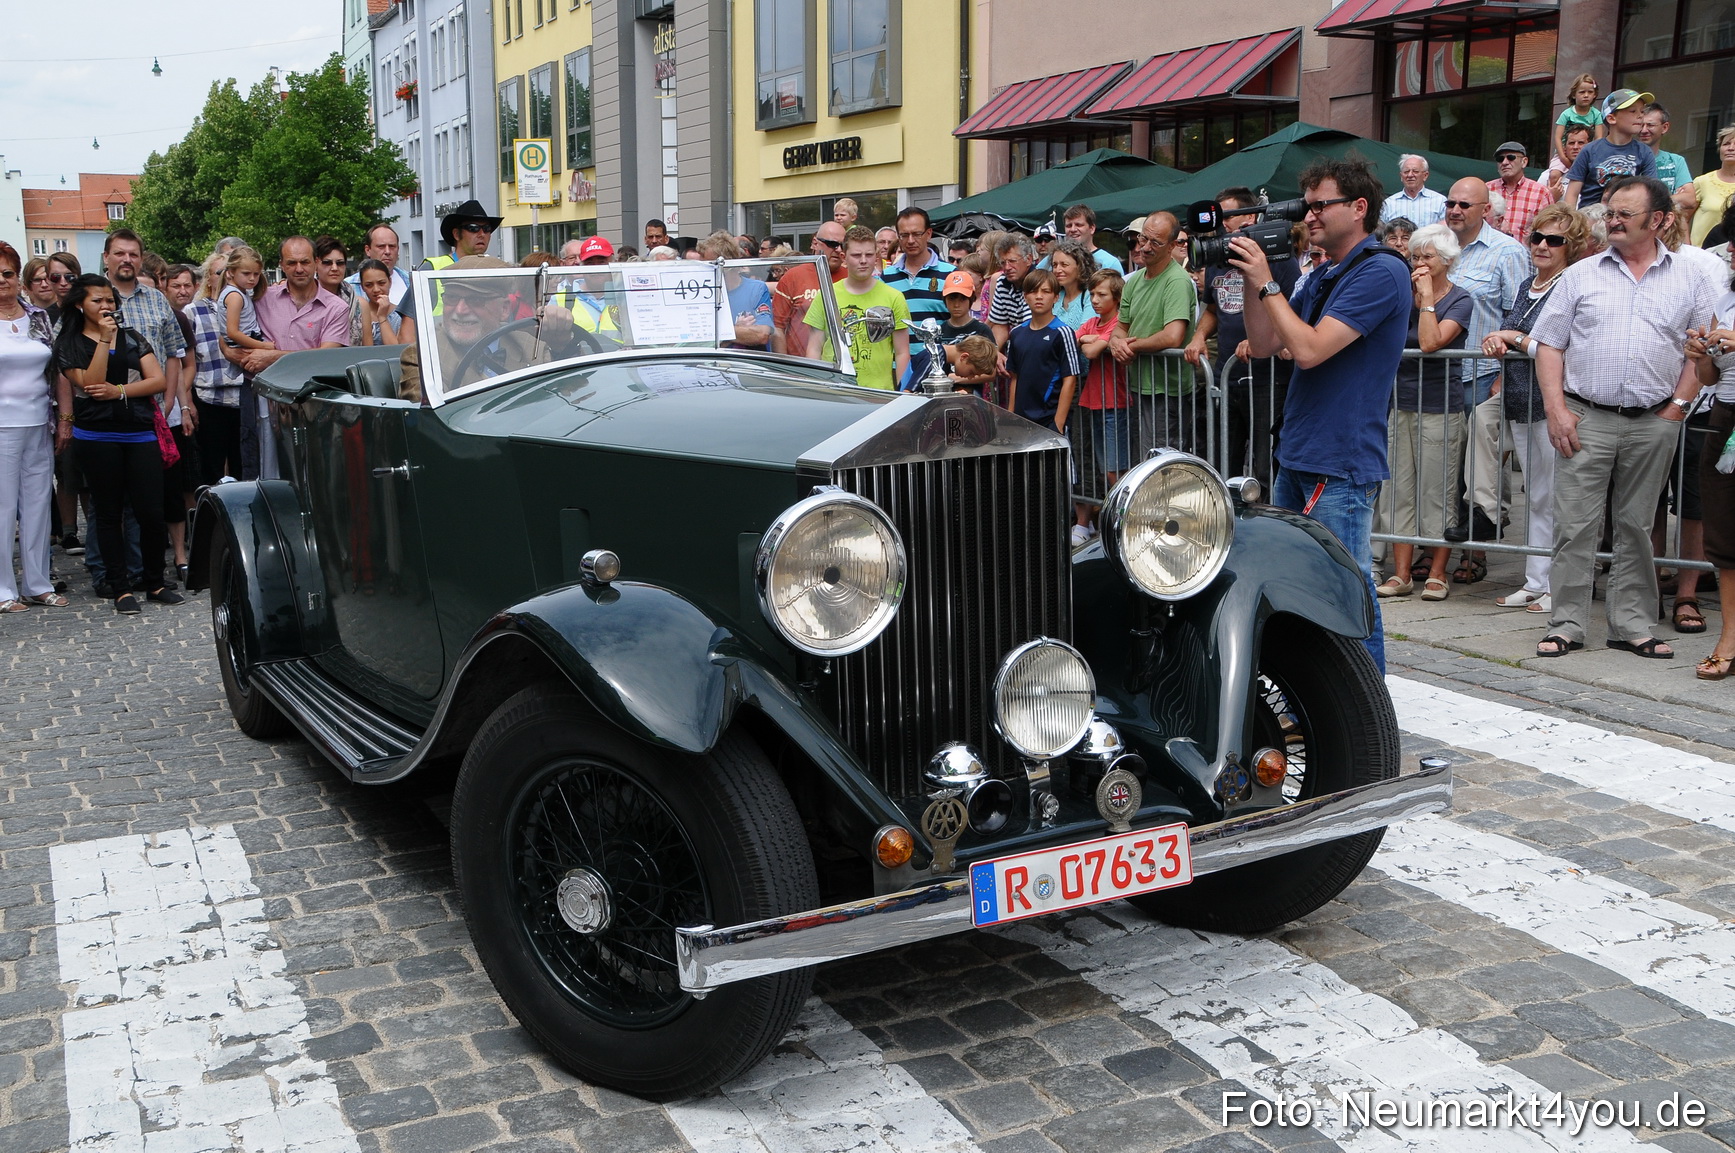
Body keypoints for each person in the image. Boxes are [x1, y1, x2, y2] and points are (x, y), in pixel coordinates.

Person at [1232, 156, 1412, 672]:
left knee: (1345, 587)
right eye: (1305, 206)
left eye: (1319, 205)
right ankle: (1316, 695)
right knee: (1297, 583)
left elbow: (1308, 350)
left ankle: (1368, 704)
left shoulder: (1381, 270)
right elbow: (1265, 344)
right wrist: (1254, 276)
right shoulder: (1326, 271)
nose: (1308, 216)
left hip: (1340, 460)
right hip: (1299, 451)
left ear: (1359, 208)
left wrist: (1268, 282)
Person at [1530, 176, 1716, 660]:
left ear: (1660, 220)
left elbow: (1700, 349)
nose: (1612, 221)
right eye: (1610, 212)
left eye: (1624, 214)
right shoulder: (1581, 274)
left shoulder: (1690, 277)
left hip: (1654, 420)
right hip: (1585, 417)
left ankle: (1632, 625)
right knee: (1575, 526)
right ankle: (1566, 624)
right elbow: (1549, 345)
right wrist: (1556, 410)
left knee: (1637, 527)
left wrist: (1676, 409)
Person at [1480, 203, 1589, 616]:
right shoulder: (1529, 283)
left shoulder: (1571, 283)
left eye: (1554, 240)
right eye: (1537, 237)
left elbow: (1558, 346)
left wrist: (1511, 337)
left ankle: (1559, 586)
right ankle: (1536, 581)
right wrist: (1498, 340)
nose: (1542, 245)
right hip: (1521, 401)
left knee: (1561, 499)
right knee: (1538, 497)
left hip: (1555, 403)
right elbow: (1520, 337)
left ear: (1570, 245)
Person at [52, 275, 182, 613]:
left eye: (109, 300)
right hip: (96, 437)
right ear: (80, 305)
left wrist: (119, 391)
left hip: (139, 432)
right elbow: (91, 383)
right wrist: (104, 340)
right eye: (97, 301)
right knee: (108, 513)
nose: (106, 306)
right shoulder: (69, 343)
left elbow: (158, 380)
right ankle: (120, 587)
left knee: (150, 512)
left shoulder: (132, 337)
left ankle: (154, 582)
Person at [1378, 224, 1473, 602]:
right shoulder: (1402, 295)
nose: (1418, 262)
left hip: (1440, 405)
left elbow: (1431, 341)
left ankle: (1437, 573)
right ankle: (1401, 574)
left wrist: (1428, 298)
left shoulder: (1461, 299)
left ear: (1447, 261)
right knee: (1397, 491)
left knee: (1439, 491)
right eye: (1415, 256)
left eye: (1427, 256)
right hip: (1399, 403)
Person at [1441, 178, 1528, 572]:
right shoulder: (1439, 244)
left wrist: (1506, 375)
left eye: (1465, 204)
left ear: (1486, 209)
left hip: (1484, 372)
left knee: (1477, 467)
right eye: (1451, 203)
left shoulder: (1507, 252)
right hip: (1441, 374)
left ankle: (1475, 552)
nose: (1455, 210)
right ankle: (1435, 547)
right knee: (1445, 464)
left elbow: (1518, 316)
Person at [1188, 187, 1301, 488]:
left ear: (1249, 217)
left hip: (1267, 378)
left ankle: (1265, 516)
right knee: (1222, 464)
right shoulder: (1218, 255)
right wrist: (1199, 335)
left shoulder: (1276, 254)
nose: (1222, 223)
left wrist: (1265, 339)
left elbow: (1296, 307)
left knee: (1264, 467)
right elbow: (1213, 309)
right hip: (1226, 376)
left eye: (1228, 216)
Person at [399, 256, 585, 401]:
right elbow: (430, 423)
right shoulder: (424, 356)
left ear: (504, 309)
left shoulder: (530, 347)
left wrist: (562, 345)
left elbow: (573, 400)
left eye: (476, 300)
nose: (460, 310)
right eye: (452, 298)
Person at [244, 237, 351, 478]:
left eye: (305, 262)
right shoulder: (261, 299)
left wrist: (272, 358)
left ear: (315, 262)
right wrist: (229, 349)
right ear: (281, 264)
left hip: (313, 404)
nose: (299, 269)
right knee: (267, 472)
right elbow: (238, 340)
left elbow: (328, 357)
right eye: (292, 263)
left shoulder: (336, 308)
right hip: (266, 401)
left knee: (314, 473)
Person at [0, 241, 64, 613]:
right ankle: (3, 589)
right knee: (3, 507)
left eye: (7, 273)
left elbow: (57, 370)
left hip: (40, 420)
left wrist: (64, 419)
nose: (2, 280)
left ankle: (37, 584)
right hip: (2, 425)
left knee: (38, 504)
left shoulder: (37, 317)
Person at [1684, 253, 1735, 678]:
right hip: (1725, 419)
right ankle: (1729, 640)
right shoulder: (1727, 298)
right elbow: (1710, 378)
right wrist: (1700, 355)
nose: (1731, 252)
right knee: (1724, 537)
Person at [1111, 211, 1197, 456]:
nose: (1145, 247)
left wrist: (1131, 347)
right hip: (1140, 385)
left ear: (1172, 246)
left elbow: (1173, 336)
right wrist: (1116, 343)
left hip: (1167, 390)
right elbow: (1120, 327)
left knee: (1162, 463)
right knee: (1145, 459)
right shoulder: (1134, 281)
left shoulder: (1177, 281)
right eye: (1143, 239)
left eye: (1155, 242)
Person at [802, 225, 910, 390]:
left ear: (876, 257)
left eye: (869, 255)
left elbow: (902, 352)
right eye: (856, 255)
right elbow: (814, 349)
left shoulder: (894, 297)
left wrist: (903, 392)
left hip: (878, 393)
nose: (863, 261)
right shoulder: (827, 294)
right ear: (844, 257)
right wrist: (816, 389)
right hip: (834, 391)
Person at [1072, 269, 1130, 545]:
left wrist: (1091, 340)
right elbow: (1075, 338)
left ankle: (1126, 519)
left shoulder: (1118, 323)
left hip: (1115, 402)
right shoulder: (1093, 323)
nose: (1095, 299)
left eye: (1101, 295)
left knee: (1114, 468)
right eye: (1092, 294)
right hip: (1094, 401)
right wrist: (1090, 339)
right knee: (1102, 466)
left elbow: (1091, 351)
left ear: (1117, 298)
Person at [186, 252, 243, 485]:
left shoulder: (248, 306)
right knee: (211, 468)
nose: (226, 277)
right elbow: (187, 363)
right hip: (209, 399)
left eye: (231, 272)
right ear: (208, 279)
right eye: (219, 272)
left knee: (244, 466)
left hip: (244, 398)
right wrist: (188, 403)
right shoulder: (193, 311)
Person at [880, 207, 956, 381]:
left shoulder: (950, 274)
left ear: (928, 234)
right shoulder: (886, 277)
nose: (910, 240)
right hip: (897, 369)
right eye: (904, 235)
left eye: (916, 234)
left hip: (938, 369)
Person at [1005, 269, 1081, 435]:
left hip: (1049, 419)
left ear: (1055, 297)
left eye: (1045, 291)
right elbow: (1015, 377)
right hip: (1021, 420)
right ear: (1025, 296)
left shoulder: (1062, 332)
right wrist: (1011, 415)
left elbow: (1070, 379)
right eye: (1033, 291)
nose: (1039, 296)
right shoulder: (1017, 333)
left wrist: (1058, 423)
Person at [1564, 89, 1657, 209]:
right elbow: (1572, 193)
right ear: (1611, 118)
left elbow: (1652, 192)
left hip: (1626, 215)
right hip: (1591, 216)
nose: (1640, 116)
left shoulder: (1644, 152)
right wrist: (1571, 219)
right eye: (1633, 111)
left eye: (1642, 111)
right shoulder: (1590, 150)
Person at [773, 222, 846, 357]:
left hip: (842, 363)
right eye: (832, 244)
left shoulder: (851, 278)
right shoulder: (793, 277)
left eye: (843, 245)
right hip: (800, 364)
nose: (839, 249)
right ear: (815, 243)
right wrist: (784, 365)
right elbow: (778, 327)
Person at [698, 232, 773, 350]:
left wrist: (721, 333)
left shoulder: (756, 289)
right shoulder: (701, 293)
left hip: (747, 359)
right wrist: (736, 329)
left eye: (708, 265)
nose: (702, 271)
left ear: (725, 266)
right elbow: (696, 337)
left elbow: (761, 335)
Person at [936, 270, 994, 391]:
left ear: (971, 299)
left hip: (973, 392)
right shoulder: (939, 330)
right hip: (944, 391)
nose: (956, 304)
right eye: (952, 299)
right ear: (945, 300)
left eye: (962, 299)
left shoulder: (982, 330)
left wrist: (958, 378)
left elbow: (992, 371)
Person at [1487, 141, 1551, 243]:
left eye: (1511, 157)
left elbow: (1549, 231)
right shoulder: (1486, 190)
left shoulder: (1541, 193)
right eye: (1500, 159)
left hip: (1525, 252)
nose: (1504, 162)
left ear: (1524, 162)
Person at [220, 247, 272, 354]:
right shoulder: (235, 296)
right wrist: (264, 346)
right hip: (243, 346)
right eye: (246, 273)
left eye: (256, 274)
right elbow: (233, 333)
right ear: (232, 272)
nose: (252, 278)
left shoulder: (242, 292)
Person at [989, 234, 1036, 348]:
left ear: (1028, 260)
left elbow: (1030, 328)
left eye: (1012, 261)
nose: (1007, 267)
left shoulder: (1038, 282)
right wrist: (994, 352)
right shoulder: (1002, 282)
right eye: (1003, 262)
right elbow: (999, 324)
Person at [1690, 126, 1735, 248]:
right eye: (1726, 144)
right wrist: (1687, 248)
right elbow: (1683, 218)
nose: (1731, 148)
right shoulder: (1702, 182)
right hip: (1701, 253)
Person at [314, 236, 363, 346]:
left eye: (340, 263)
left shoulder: (358, 304)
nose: (335, 268)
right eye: (327, 263)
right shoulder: (306, 301)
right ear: (315, 265)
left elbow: (367, 349)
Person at [355, 259, 415, 346]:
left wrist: (382, 317)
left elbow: (395, 349)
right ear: (362, 286)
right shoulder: (357, 314)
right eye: (369, 285)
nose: (376, 289)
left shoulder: (401, 316)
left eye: (381, 283)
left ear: (390, 282)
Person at [347, 223, 410, 306]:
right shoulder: (348, 286)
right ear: (368, 250)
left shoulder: (412, 281)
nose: (387, 251)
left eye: (392, 246)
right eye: (381, 246)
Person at [1381, 155, 1446, 228]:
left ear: (1425, 175)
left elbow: (1446, 231)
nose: (1410, 175)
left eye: (1415, 171)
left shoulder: (1440, 202)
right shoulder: (1388, 204)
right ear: (1401, 176)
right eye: (1406, 172)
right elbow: (1381, 231)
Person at [1554, 73, 1606, 161]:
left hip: (1586, 154)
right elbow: (1558, 137)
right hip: (1565, 153)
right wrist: (1563, 157)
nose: (1586, 95)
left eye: (1590, 92)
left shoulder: (1596, 115)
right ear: (1574, 95)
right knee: (1555, 170)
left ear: (1595, 95)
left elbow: (1598, 138)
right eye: (1582, 92)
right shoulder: (1566, 114)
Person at [1062, 204, 1124, 273]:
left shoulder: (1110, 263)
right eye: (1069, 226)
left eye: (1078, 225)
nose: (1073, 229)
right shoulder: (1056, 261)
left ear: (1092, 228)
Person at [1047, 240, 1094, 329]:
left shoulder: (1090, 295)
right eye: (1054, 265)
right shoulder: (1054, 295)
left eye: (1064, 265)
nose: (1057, 270)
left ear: (1080, 267)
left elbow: (1086, 331)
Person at [1546, 124, 1594, 204]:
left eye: (1581, 143)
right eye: (1571, 143)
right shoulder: (1548, 176)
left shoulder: (1598, 175)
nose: (1575, 147)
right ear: (1564, 147)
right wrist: (1551, 198)